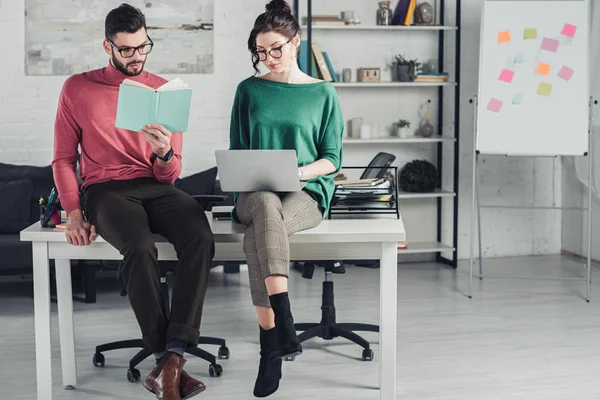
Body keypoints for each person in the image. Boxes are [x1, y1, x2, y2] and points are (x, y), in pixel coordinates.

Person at [52, 4, 213, 399]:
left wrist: (163, 153)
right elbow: (62, 158)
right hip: (105, 190)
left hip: (156, 186)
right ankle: (167, 357)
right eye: (127, 50)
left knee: (200, 237)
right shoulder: (77, 88)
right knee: (139, 246)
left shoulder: (163, 90)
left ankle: (169, 361)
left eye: (144, 47)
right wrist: (74, 212)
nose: (137, 56)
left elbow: (169, 176)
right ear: (107, 46)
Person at [228, 0, 344, 397]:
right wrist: (259, 175)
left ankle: (270, 348)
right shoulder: (249, 90)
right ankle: (285, 320)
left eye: (276, 48)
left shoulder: (323, 92)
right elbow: (237, 153)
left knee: (257, 235)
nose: (268, 58)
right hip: (255, 193)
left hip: (305, 194)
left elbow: (332, 158)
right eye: (260, 52)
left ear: (296, 43)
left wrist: (297, 173)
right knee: (262, 204)